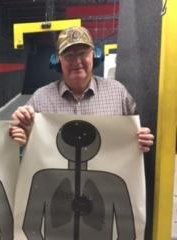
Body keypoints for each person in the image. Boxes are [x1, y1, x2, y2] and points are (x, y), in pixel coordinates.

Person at [12, 26, 154, 152]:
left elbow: (137, 129)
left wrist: (142, 137)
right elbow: (20, 140)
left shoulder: (118, 93)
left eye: (83, 53)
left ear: (94, 55)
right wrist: (18, 132)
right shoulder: (40, 98)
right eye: (69, 55)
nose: (77, 61)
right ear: (58, 60)